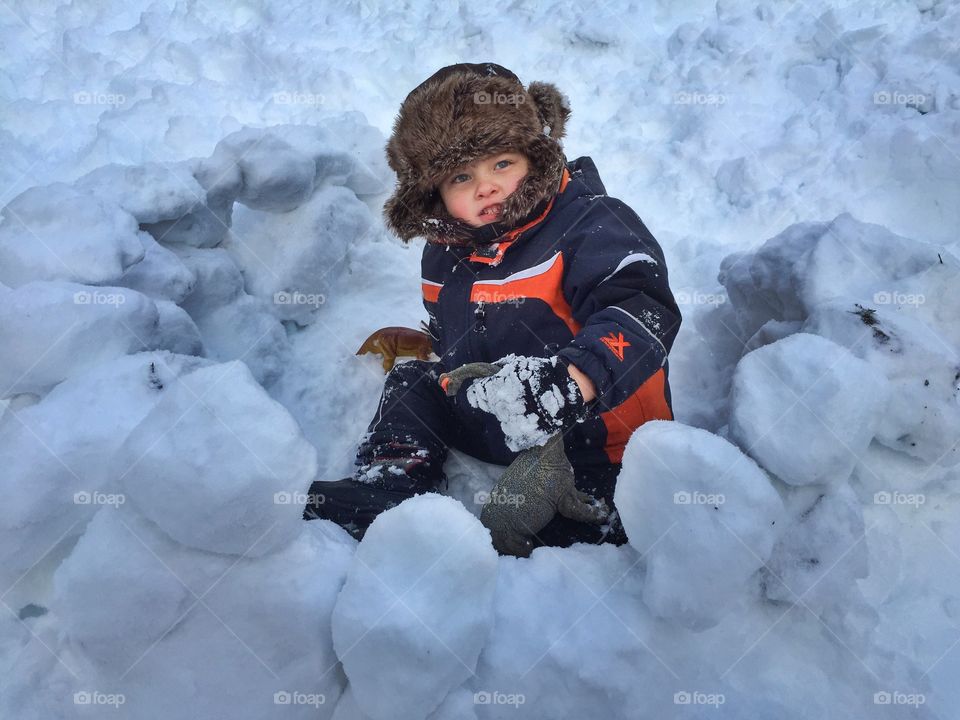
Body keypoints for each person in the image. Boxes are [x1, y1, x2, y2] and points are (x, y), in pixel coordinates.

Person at [303, 62, 681, 550]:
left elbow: (642, 309)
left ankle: (582, 528)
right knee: (414, 384)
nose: (486, 186)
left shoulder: (591, 223)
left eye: (502, 163)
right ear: (433, 196)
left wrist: (571, 382)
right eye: (462, 176)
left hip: (591, 439)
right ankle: (391, 483)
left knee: (556, 528)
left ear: (535, 155)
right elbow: (466, 326)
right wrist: (443, 348)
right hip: (498, 414)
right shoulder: (447, 252)